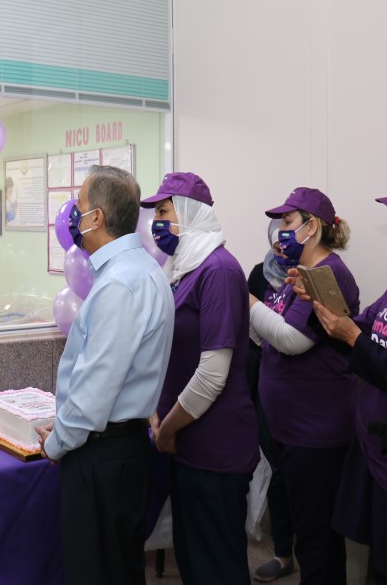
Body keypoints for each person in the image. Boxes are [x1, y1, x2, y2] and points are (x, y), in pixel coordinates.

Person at [36, 165, 174, 585]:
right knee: (120, 568)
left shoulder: (119, 284)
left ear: (96, 218)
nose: (72, 215)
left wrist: (58, 442)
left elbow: (96, 389)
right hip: (122, 448)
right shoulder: (144, 270)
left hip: (102, 458)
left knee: (95, 571)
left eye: (78, 206)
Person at [292, 176, 387, 585]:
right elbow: (366, 325)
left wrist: (353, 338)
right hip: (371, 448)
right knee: (376, 561)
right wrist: (322, 305)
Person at [142, 171, 259, 585]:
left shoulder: (219, 271)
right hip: (184, 444)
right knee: (194, 563)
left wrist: (168, 428)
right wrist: (157, 414)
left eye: (163, 212)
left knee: (217, 567)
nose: (157, 223)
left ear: (190, 213)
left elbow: (212, 374)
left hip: (214, 449)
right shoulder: (182, 270)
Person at [250, 187, 359, 585]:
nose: (280, 230)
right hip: (292, 428)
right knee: (312, 534)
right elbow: (268, 333)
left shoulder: (328, 276)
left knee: (316, 540)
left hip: (316, 433)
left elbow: (290, 339)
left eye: (288, 221)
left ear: (312, 227)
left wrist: (246, 302)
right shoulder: (296, 275)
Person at [248, 220, 297, 582]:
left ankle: (310, 552)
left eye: (287, 244)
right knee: (278, 468)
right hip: (263, 379)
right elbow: (249, 329)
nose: (282, 252)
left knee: (301, 472)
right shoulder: (257, 275)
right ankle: (283, 553)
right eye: (277, 246)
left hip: (301, 386)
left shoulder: (311, 277)